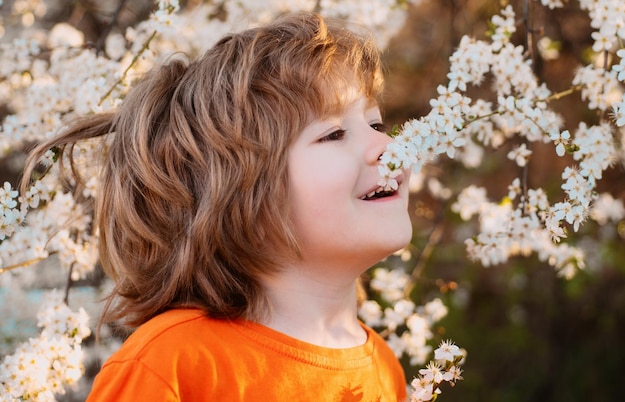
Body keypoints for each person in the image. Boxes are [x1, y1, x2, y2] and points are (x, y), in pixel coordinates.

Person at [23, 11, 413, 401]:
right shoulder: (171, 364)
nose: (387, 146)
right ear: (240, 192)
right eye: (334, 134)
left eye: (377, 125)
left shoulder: (384, 369)